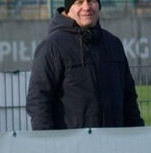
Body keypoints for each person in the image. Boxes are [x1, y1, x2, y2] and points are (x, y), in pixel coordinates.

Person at [26, 0, 143, 130]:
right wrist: (48, 144)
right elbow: (39, 101)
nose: (86, 7)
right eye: (79, 2)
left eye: (92, 1)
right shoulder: (52, 46)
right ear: (69, 8)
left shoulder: (113, 44)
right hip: (72, 147)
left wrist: (137, 137)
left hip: (113, 145)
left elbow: (129, 99)